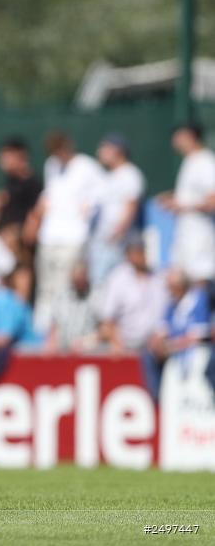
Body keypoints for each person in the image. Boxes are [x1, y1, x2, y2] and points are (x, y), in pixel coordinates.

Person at [25, 131, 105, 333]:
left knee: (63, 285)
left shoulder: (87, 167)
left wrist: (88, 211)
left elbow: (99, 196)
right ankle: (41, 329)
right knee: (46, 285)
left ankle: (60, 328)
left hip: (73, 237)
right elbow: (48, 195)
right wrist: (36, 217)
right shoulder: (51, 166)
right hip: (50, 236)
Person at [142, 268, 211, 402]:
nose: (169, 291)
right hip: (174, 350)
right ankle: (157, 399)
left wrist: (173, 345)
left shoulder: (198, 300)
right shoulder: (172, 304)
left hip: (194, 351)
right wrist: (156, 343)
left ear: (180, 287)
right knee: (148, 355)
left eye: (171, 287)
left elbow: (199, 334)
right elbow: (162, 329)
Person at [159, 123, 215, 285]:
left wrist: (182, 206)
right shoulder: (191, 161)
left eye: (179, 136)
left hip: (201, 235)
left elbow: (212, 200)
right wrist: (172, 198)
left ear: (190, 136)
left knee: (200, 280)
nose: (174, 141)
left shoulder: (204, 161)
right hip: (185, 235)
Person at [97, 234, 169, 355]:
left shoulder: (158, 278)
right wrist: (119, 346)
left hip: (154, 347)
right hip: (127, 347)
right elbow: (108, 320)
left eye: (142, 251)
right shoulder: (118, 279)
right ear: (128, 255)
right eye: (137, 251)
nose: (141, 255)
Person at [89, 133, 144, 286]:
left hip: (118, 244)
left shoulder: (130, 174)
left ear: (118, 150)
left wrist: (118, 234)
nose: (100, 153)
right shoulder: (108, 177)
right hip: (102, 241)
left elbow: (131, 206)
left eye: (104, 148)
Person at [0, 136, 42, 232]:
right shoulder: (10, 179)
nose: (2, 159)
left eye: (6, 155)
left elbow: (34, 217)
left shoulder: (33, 184)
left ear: (20, 155)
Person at [45, 263, 98, 354]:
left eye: (81, 276)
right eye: (76, 278)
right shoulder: (61, 296)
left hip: (88, 354)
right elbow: (54, 324)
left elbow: (104, 328)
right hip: (63, 352)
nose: (79, 281)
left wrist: (86, 341)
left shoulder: (96, 296)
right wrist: (51, 344)